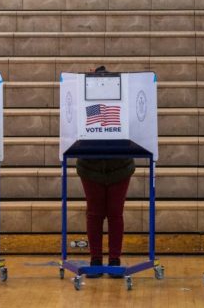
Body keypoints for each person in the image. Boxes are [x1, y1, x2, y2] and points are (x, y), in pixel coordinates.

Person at [77, 66, 135, 278]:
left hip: (118, 165)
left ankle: (113, 259)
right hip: (92, 165)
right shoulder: (83, 100)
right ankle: (96, 259)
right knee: (95, 213)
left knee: (114, 213)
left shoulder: (123, 101)